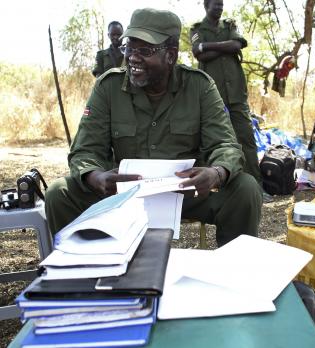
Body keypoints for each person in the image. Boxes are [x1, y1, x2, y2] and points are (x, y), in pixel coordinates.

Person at [46, 8, 262, 247]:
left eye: (145, 51)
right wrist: (95, 176)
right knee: (59, 193)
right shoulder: (108, 87)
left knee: (245, 188)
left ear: (170, 55)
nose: (132, 58)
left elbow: (225, 144)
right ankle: (86, 274)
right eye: (130, 48)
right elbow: (85, 149)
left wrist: (216, 173)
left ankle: (232, 276)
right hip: (123, 195)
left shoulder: (199, 87)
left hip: (185, 193)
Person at [189, 0, 272, 202]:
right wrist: (223, 48)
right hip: (212, 97)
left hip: (236, 94)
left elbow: (236, 44)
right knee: (212, 142)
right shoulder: (197, 29)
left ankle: (256, 187)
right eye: (215, 4)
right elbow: (198, 53)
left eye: (221, 4)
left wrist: (207, 47)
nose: (219, 7)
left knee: (246, 140)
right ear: (206, 6)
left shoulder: (230, 25)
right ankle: (214, 187)